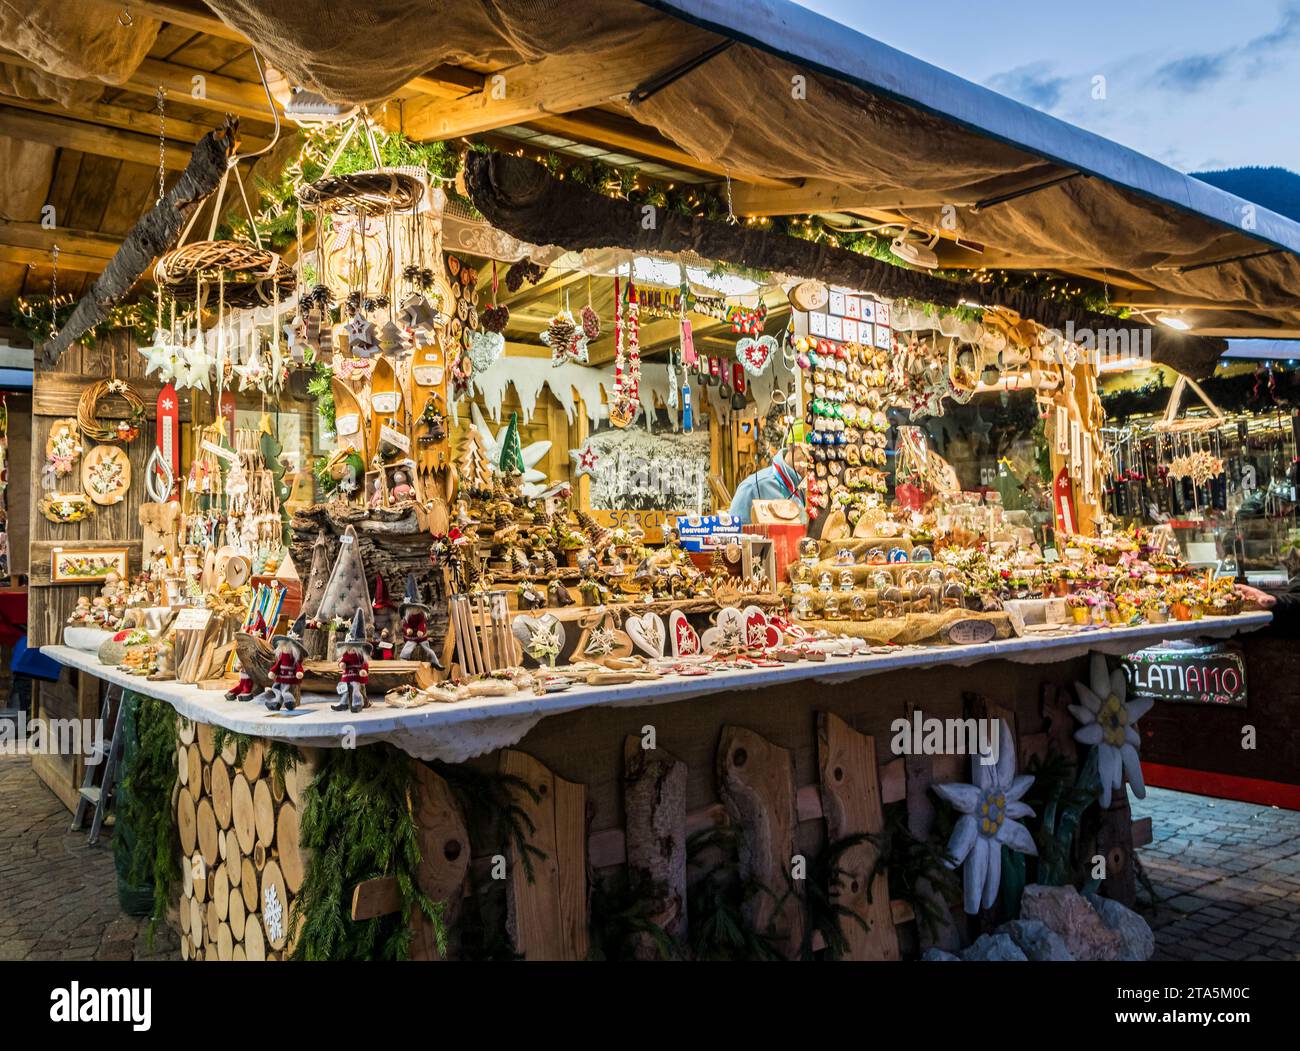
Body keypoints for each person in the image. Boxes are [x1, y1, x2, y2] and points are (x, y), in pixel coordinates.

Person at [729, 427, 809, 524]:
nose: (809, 460)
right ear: (790, 446)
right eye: (805, 453)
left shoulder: (816, 487)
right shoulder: (752, 487)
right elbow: (735, 535)